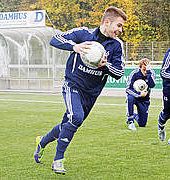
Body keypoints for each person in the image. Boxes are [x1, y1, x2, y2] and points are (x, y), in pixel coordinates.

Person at [33, 6, 127, 174]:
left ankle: (42, 143)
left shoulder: (117, 46)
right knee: (75, 117)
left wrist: (105, 65)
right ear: (107, 22)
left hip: (92, 94)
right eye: (118, 25)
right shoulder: (83, 34)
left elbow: (119, 73)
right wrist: (75, 47)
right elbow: (55, 39)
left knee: (68, 124)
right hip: (73, 85)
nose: (120, 30)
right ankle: (58, 160)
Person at [125, 58, 156, 131]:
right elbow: (128, 89)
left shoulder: (151, 73)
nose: (145, 72)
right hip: (135, 96)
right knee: (130, 98)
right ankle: (131, 121)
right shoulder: (134, 73)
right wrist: (139, 94)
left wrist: (148, 72)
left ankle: (134, 115)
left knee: (142, 124)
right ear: (140, 67)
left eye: (147, 69)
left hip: (145, 99)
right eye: (144, 69)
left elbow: (152, 85)